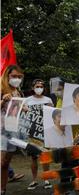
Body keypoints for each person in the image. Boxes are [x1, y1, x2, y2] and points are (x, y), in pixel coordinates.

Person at [24, 79, 53, 190]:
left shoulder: (48, 99)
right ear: (33, 88)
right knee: (33, 157)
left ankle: (46, 179)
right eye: (37, 86)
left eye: (41, 86)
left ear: (44, 88)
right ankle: (34, 180)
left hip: (45, 131)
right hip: (32, 131)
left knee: (45, 156)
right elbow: (23, 115)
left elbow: (53, 114)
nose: (39, 88)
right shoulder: (27, 100)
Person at [1, 65, 25, 194]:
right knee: (1, 163)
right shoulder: (1, 90)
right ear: (7, 76)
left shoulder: (19, 93)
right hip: (1, 131)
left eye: (19, 77)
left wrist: (25, 109)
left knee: (5, 163)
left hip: (13, 132)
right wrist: (2, 101)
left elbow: (20, 113)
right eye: (13, 76)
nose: (16, 79)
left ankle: (3, 189)